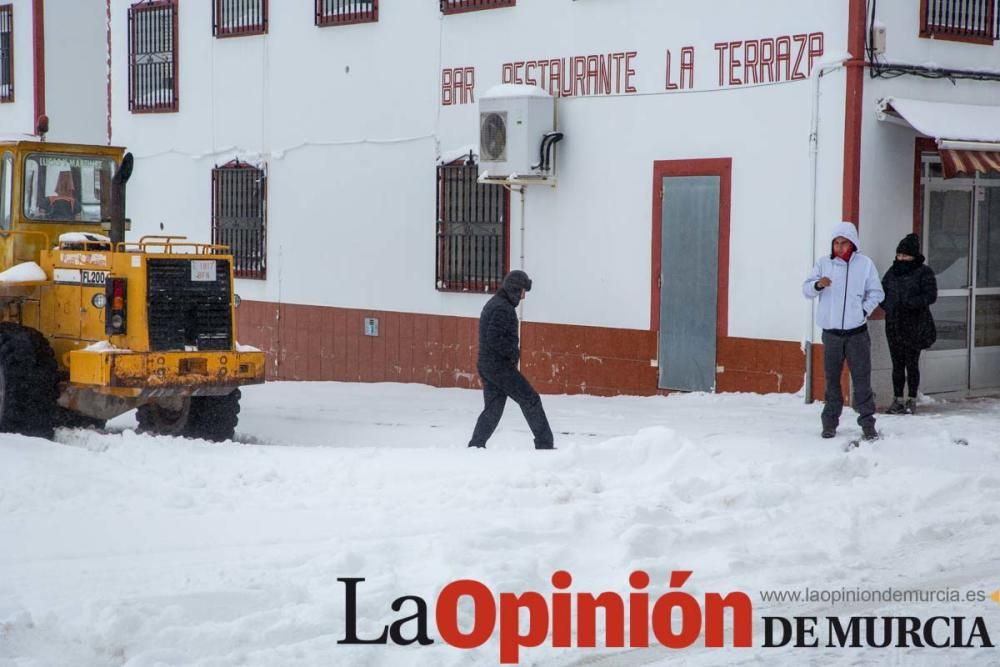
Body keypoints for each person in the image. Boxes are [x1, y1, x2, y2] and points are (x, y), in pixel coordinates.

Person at [803, 221, 885, 440]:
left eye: (844, 243)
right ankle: (829, 423)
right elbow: (806, 289)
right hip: (831, 335)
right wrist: (818, 285)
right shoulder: (823, 264)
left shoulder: (865, 264)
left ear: (853, 244)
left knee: (861, 380)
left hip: (857, 334)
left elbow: (877, 293)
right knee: (831, 381)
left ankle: (868, 424)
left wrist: (862, 311)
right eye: (836, 243)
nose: (839, 247)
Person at [468, 269, 554, 450]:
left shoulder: (497, 303)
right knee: (530, 399)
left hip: (488, 365)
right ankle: (545, 444)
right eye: (523, 291)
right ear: (514, 289)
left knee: (493, 409)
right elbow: (494, 337)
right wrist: (512, 353)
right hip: (499, 367)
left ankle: (475, 446)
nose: (523, 296)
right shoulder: (502, 308)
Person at [880, 233, 937, 415]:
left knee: (911, 363)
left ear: (913, 255)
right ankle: (897, 399)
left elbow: (930, 295)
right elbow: (881, 292)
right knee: (896, 364)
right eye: (899, 255)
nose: (901, 259)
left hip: (915, 324)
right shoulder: (892, 271)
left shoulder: (924, 272)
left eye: (905, 255)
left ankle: (911, 399)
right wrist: (889, 306)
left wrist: (911, 303)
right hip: (893, 324)